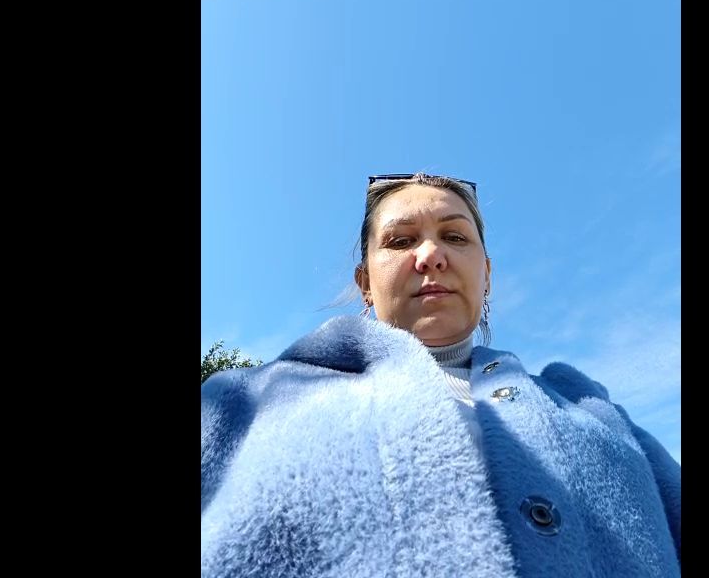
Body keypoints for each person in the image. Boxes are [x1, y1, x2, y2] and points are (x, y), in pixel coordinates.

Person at [201, 173, 681, 577]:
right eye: (400, 240)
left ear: (486, 274)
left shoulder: (594, 408)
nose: (430, 255)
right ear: (365, 282)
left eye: (455, 237)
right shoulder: (239, 401)